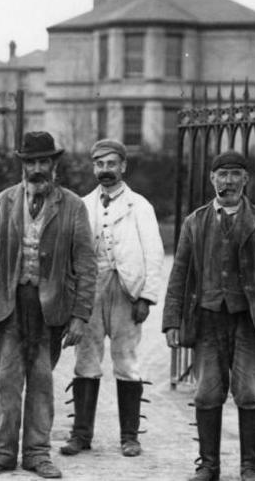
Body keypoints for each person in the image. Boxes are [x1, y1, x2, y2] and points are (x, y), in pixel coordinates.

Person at [163, 150, 255, 481]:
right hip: (207, 319)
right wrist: (171, 320)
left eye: (236, 174)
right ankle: (209, 464)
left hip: (248, 321)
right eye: (222, 174)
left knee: (250, 391)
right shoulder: (194, 222)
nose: (228, 181)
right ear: (212, 179)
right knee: (207, 392)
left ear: (246, 179)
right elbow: (180, 273)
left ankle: (249, 465)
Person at [0, 131, 97, 479]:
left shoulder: (73, 206)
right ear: (23, 166)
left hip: (51, 310)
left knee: (42, 382)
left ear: (54, 165)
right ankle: (0, 454)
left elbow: (87, 266)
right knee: (6, 383)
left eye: (44, 161)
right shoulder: (2, 203)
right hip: (9, 307)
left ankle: (37, 454)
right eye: (31, 162)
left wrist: (79, 316)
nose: (38, 168)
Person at [62, 139, 164, 458]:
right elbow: (71, 254)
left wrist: (145, 297)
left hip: (125, 288)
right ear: (94, 167)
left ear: (123, 166)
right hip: (91, 289)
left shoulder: (140, 206)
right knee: (86, 360)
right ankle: (81, 435)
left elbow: (154, 253)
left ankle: (129, 437)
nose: (105, 170)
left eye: (111, 164)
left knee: (127, 361)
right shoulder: (82, 204)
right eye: (99, 164)